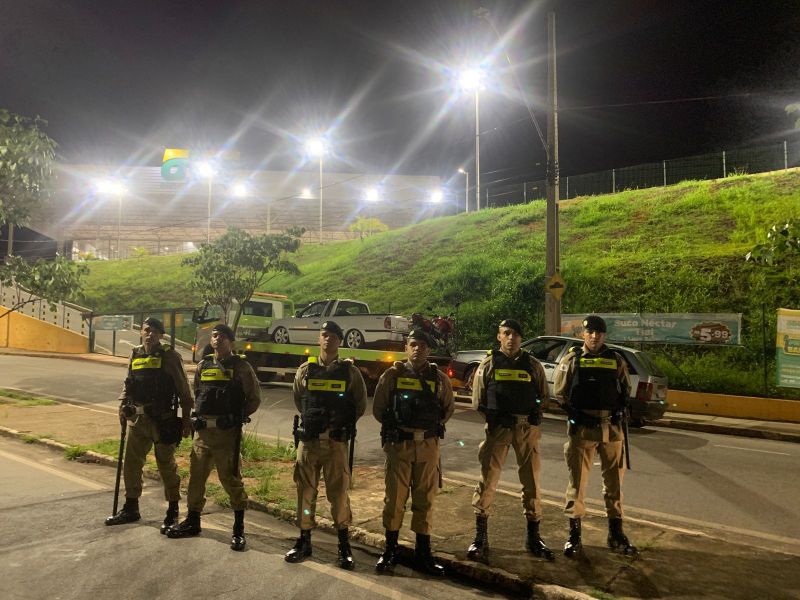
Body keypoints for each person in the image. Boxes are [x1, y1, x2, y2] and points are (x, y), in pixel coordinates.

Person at [166, 323, 261, 551]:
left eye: (222, 337)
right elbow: (198, 392)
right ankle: (193, 520)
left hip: (227, 434)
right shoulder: (203, 364)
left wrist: (236, 418)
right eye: (214, 336)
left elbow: (254, 399)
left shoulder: (240, 366)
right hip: (203, 433)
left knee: (230, 479)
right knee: (196, 478)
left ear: (231, 341)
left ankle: (238, 528)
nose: (217, 340)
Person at [467, 318, 554, 562]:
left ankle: (534, 537)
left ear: (520, 338)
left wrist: (531, 412)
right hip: (498, 431)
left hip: (527, 429)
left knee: (532, 483)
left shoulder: (533, 365)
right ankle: (480, 538)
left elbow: (544, 397)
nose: (511, 337)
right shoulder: (489, 364)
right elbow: (478, 400)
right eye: (506, 333)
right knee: (488, 481)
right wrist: (497, 419)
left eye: (516, 334)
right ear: (499, 336)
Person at [284, 321, 367, 569]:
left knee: (339, 494)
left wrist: (336, 426)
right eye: (324, 335)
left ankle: (343, 545)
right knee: (305, 493)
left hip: (335, 443)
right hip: (309, 442)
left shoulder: (351, 373)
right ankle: (304, 540)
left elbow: (359, 405)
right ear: (319, 339)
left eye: (332, 336)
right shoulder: (305, 371)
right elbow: (300, 400)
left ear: (339, 341)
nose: (327, 339)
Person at [553, 314, 638, 557]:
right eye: (590, 332)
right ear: (583, 334)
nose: (594, 336)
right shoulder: (573, 359)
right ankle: (574, 535)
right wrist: (574, 414)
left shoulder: (615, 359)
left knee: (614, 484)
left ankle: (616, 533)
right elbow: (560, 393)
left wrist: (622, 410)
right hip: (582, 429)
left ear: (604, 335)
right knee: (577, 483)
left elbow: (625, 389)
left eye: (599, 332)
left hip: (611, 428)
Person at [372, 328, 455, 575]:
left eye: (422, 345)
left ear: (429, 350)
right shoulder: (391, 375)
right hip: (400, 445)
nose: (417, 348)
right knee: (395, 499)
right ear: (406, 348)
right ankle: (390, 550)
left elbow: (447, 409)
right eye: (413, 344)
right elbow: (379, 409)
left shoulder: (439, 378)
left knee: (425, 499)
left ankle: (423, 554)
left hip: (428, 446)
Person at [105, 317, 193, 533]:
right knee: (132, 464)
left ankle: (172, 509)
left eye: (155, 331)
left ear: (161, 335)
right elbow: (129, 383)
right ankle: (131, 507)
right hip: (137, 420)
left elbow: (184, 390)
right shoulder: (135, 354)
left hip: (162, 420)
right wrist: (122, 407)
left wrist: (187, 418)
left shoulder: (170, 356)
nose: (150, 334)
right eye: (146, 330)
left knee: (166, 465)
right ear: (141, 332)